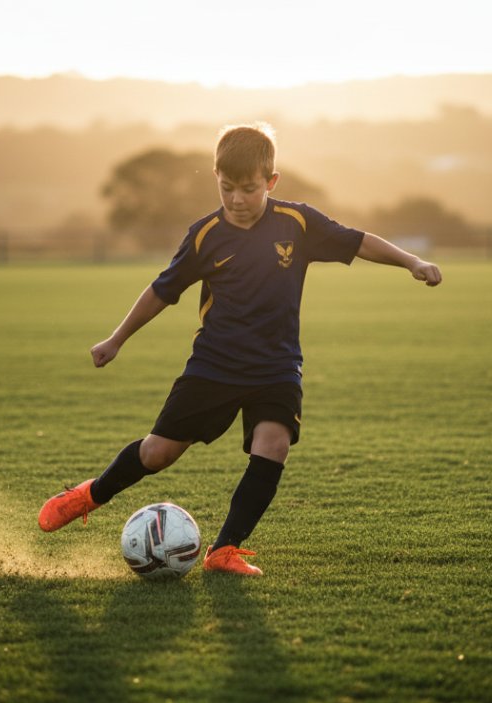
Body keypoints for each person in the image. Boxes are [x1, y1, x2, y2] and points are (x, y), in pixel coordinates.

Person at [36, 123, 442, 576]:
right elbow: (161, 291)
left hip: (277, 366)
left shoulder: (298, 222)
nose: (236, 199)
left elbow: (358, 240)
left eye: (248, 189)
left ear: (271, 181)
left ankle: (223, 550)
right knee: (158, 454)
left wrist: (412, 261)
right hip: (214, 365)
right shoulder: (205, 235)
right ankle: (88, 495)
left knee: (274, 445)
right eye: (226, 188)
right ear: (216, 179)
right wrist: (116, 338)